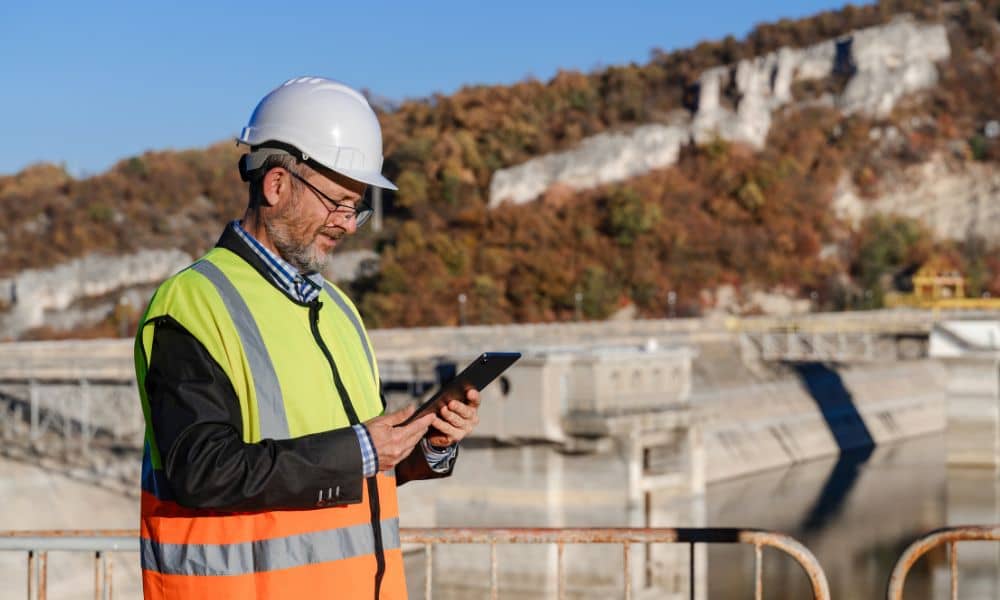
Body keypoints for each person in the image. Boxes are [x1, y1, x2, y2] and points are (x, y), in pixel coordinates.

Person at [134, 76, 480, 599]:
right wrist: (361, 449)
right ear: (276, 185)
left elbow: (350, 474)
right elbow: (201, 471)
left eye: (356, 207)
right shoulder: (193, 303)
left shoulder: (338, 309)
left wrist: (425, 446)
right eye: (338, 202)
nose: (348, 224)